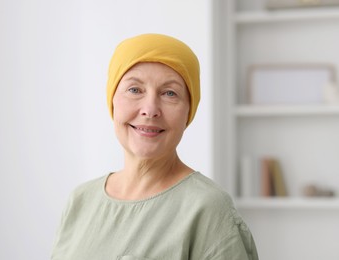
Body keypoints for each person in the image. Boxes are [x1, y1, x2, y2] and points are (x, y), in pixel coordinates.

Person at [51, 33, 259, 260]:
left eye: (170, 93)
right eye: (135, 90)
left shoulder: (208, 209)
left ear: (189, 111)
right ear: (112, 100)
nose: (150, 109)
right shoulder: (80, 200)